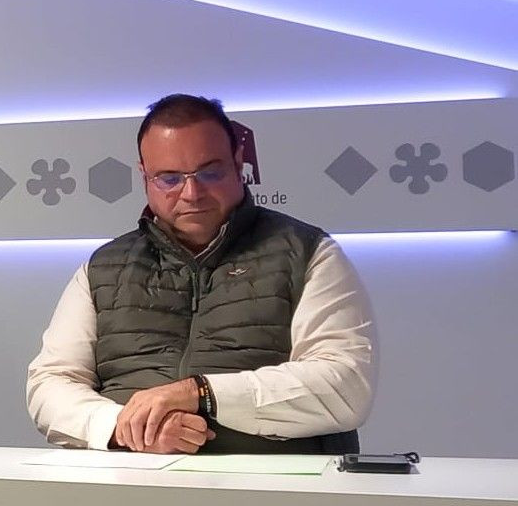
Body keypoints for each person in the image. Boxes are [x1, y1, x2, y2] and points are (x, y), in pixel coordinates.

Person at [26, 94, 375, 454]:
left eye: (210, 172)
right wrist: (122, 428)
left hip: (274, 492)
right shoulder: (103, 266)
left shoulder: (309, 252)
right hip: (127, 486)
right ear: (144, 176)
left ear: (239, 163)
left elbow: (345, 386)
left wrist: (201, 394)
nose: (192, 193)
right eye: (169, 178)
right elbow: (50, 382)